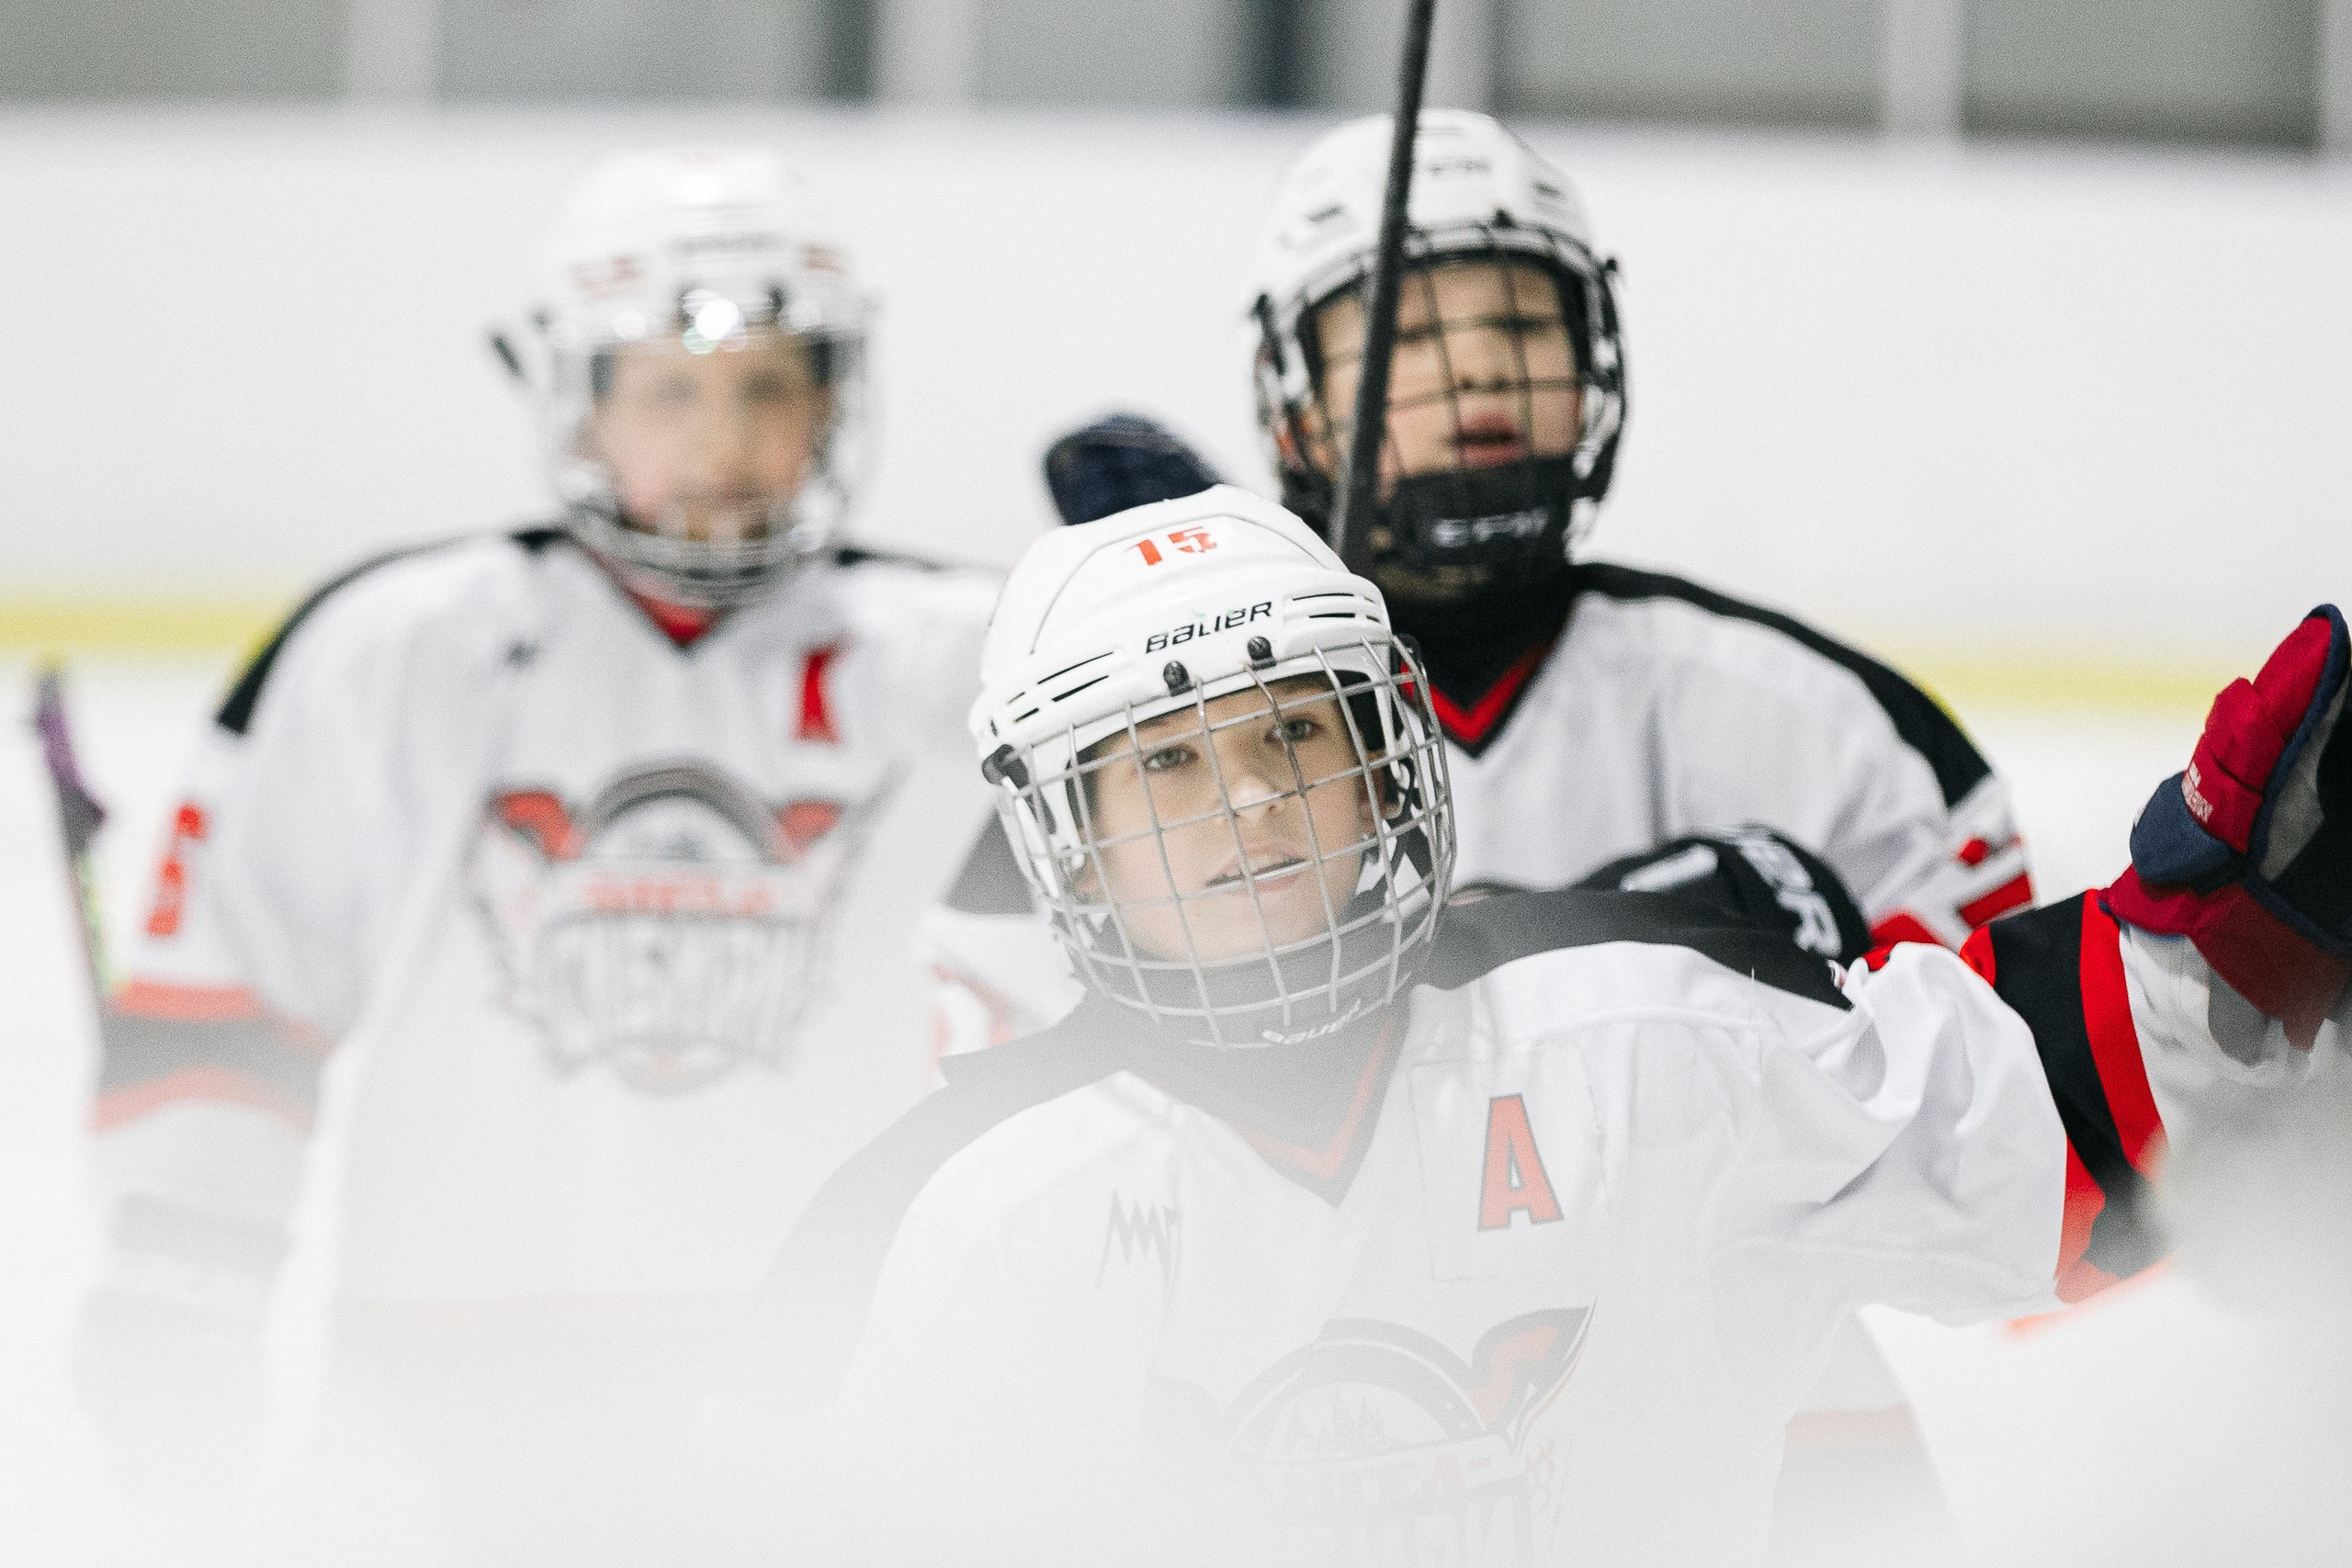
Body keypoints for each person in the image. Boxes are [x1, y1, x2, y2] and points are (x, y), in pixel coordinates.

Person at [752, 489, 2350, 1566]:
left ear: (1388, 752)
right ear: (1065, 833)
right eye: (1165, 767)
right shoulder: (950, 1217)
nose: (1246, 807)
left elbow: (2045, 1132)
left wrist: (2245, 925)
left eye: (1294, 733)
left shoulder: (1649, 1037)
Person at [921, 107, 2027, 1529]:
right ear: (1291, 397)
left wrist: (1805, 972)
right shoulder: (1113, 760)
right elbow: (1031, 1150)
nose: (1479, 372)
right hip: (1271, 1454)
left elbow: (1994, 1126)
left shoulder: (1813, 725)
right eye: (1414, 335)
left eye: (1522, 326)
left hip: (1764, 1455)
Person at [75, 146, 999, 1563]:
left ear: (833, 397)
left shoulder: (965, 662)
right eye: (669, 389)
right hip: (433, 1391)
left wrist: (1223, 566)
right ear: (576, 398)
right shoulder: (398, 648)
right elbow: (233, 998)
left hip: (821, 1386)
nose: (725, 438)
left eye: (770, 385)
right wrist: (181, 1269)